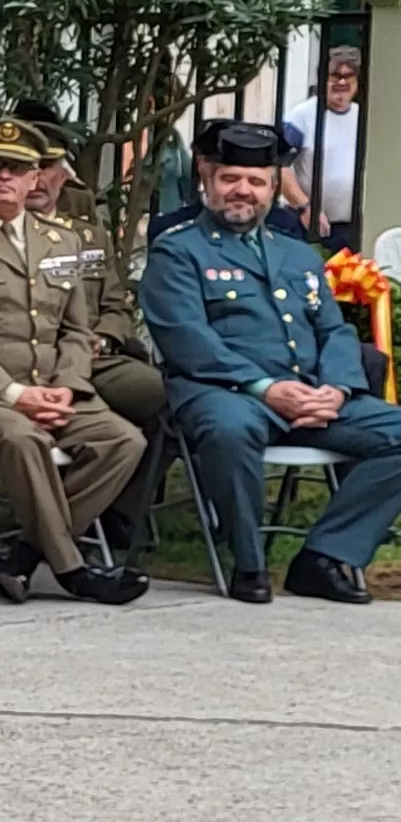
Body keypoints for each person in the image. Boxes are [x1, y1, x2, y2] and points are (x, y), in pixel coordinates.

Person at [146, 119, 401, 604]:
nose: (243, 191)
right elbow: (186, 339)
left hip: (308, 395)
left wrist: (338, 389)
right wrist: (265, 388)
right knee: (228, 430)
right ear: (209, 179)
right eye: (230, 179)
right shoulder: (178, 251)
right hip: (224, 393)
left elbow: (334, 330)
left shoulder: (298, 256)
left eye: (256, 182)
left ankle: (324, 556)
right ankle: (249, 564)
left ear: (271, 190)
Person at [0, 118, 149, 604]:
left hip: (53, 386)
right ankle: (72, 569)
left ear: (36, 177)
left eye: (16, 168)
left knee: (123, 440)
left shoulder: (62, 240)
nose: (3, 177)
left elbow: (77, 329)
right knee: (23, 436)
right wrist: (16, 395)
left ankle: (23, 558)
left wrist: (69, 386)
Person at [284, 46, 364, 248]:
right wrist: (305, 207)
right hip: (309, 223)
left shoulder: (363, 115)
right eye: (335, 75)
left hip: (354, 224)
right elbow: (279, 166)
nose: (342, 82)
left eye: (349, 76)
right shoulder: (302, 116)